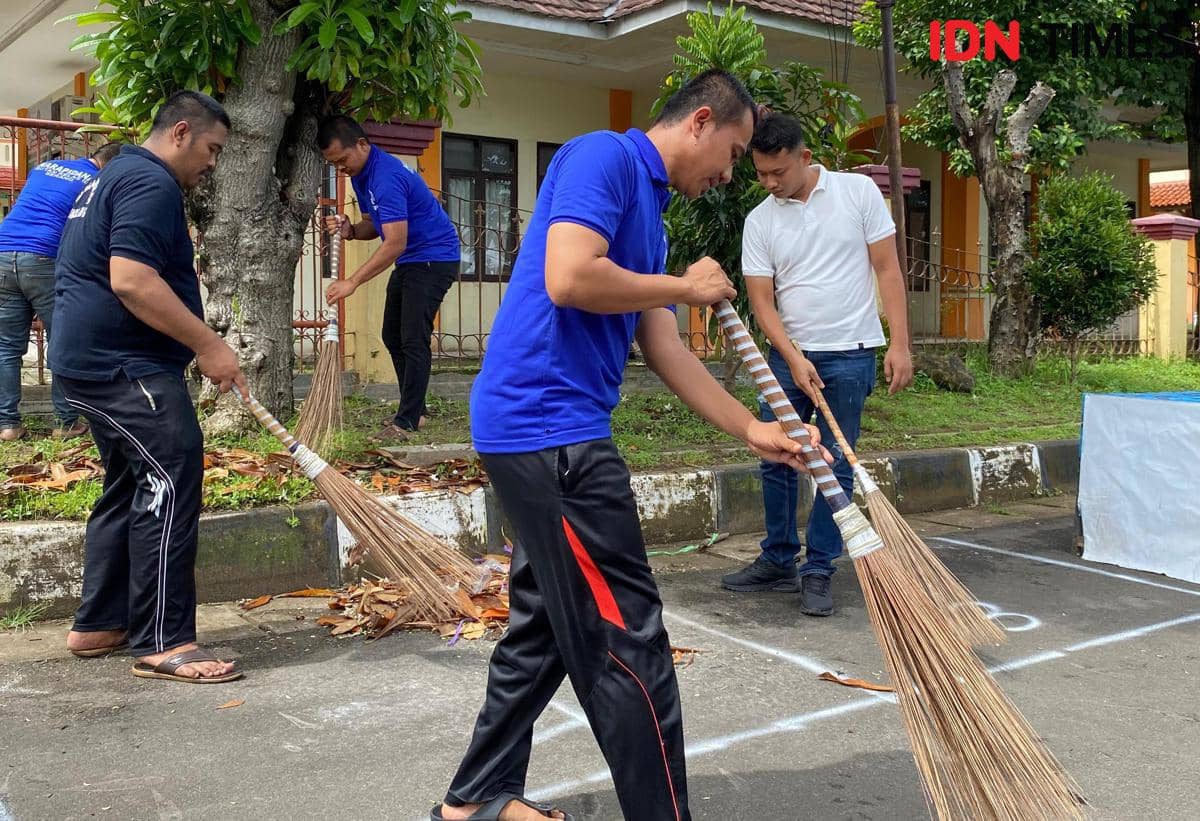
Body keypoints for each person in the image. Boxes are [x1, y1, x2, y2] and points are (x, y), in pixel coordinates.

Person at [433, 71, 830, 821]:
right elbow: (569, 276)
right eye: (734, 151)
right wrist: (681, 287)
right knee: (628, 641)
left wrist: (752, 428)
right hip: (550, 432)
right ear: (700, 121)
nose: (730, 173)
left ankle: (475, 800)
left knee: (545, 627)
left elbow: (665, 350)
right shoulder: (602, 158)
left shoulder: (652, 213)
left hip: (550, 430)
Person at [50, 91, 246, 683]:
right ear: (181, 132)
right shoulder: (150, 182)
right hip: (124, 365)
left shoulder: (114, 176)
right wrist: (208, 345)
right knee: (169, 475)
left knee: (131, 482)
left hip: (91, 361)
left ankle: (100, 623)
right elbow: (132, 280)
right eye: (212, 149)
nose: (213, 163)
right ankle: (166, 641)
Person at [720, 113, 914, 617]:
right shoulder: (760, 219)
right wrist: (793, 357)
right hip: (788, 358)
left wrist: (900, 345)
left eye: (778, 172)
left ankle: (819, 568)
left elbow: (888, 268)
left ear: (805, 158)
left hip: (851, 352)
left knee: (834, 460)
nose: (769, 183)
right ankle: (778, 557)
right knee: (774, 456)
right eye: (761, 173)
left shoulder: (859, 194)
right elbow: (762, 302)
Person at [317, 115, 461, 441]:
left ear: (363, 145)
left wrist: (352, 281)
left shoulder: (386, 177)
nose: (341, 168)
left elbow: (395, 242)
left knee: (412, 337)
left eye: (343, 159)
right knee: (392, 335)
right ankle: (416, 410)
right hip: (414, 259)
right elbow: (376, 225)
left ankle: (408, 420)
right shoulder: (361, 175)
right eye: (333, 164)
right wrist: (351, 231)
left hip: (434, 259)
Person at [0, 141, 121, 441]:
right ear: (111, 165)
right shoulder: (97, 181)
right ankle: (65, 423)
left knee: (6, 346)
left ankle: (7, 426)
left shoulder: (43, 167)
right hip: (43, 257)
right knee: (62, 340)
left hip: (3, 251)